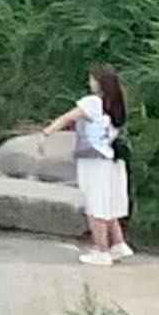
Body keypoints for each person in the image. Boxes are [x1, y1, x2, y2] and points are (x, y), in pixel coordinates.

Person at [44, 65, 135, 266]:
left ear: (100, 83)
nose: (89, 82)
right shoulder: (116, 104)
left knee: (96, 205)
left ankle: (101, 250)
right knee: (108, 203)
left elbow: (68, 117)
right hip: (111, 160)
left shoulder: (93, 103)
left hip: (94, 161)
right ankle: (118, 244)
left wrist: (46, 133)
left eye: (92, 79)